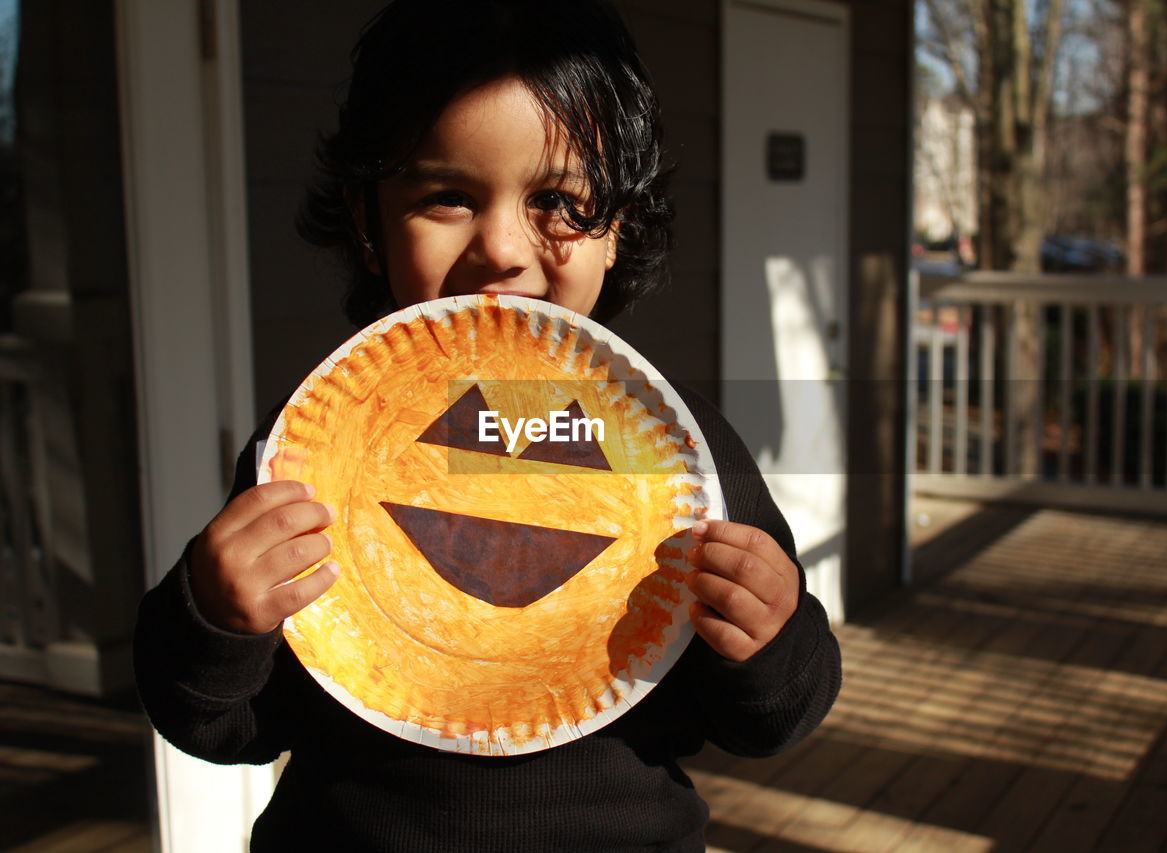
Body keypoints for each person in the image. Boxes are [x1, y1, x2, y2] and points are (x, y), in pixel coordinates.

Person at [133, 1, 842, 849]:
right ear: (368, 222)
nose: (503, 246)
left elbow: (769, 722)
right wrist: (212, 619)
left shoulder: (678, 456)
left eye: (558, 199)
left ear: (616, 228)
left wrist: (772, 639)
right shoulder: (318, 450)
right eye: (448, 197)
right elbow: (228, 726)